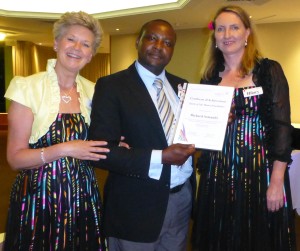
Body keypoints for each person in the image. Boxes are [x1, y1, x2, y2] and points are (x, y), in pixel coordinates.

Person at [191, 5, 296, 251]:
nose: (227, 34)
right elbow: (200, 133)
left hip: (260, 171)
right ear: (214, 37)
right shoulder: (209, 78)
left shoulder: (268, 71)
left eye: (234, 27)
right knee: (220, 232)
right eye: (221, 29)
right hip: (218, 171)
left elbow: (282, 128)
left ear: (247, 33)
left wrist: (277, 180)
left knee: (258, 235)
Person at [4, 11, 109, 250]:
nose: (77, 48)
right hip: (38, 198)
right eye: (70, 39)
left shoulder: (96, 91)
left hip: (83, 195)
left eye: (85, 44)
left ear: (91, 55)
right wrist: (65, 149)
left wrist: (117, 144)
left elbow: (100, 142)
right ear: (56, 43)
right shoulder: (27, 87)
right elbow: (15, 159)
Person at [89, 19, 196, 251]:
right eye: (152, 38)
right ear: (138, 41)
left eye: (168, 42)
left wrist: (216, 126)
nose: (159, 46)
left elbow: (192, 139)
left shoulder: (182, 86)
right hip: (135, 206)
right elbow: (100, 152)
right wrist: (161, 157)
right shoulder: (111, 86)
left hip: (181, 200)